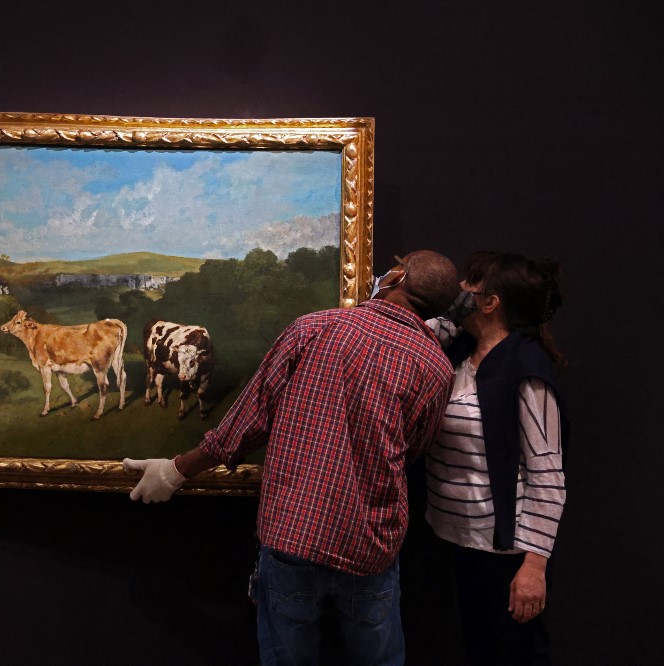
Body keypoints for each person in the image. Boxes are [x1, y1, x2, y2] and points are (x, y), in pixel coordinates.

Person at [124, 250, 461, 665]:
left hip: (294, 537)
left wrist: (176, 470)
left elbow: (247, 420)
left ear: (396, 277)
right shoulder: (437, 368)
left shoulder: (314, 328)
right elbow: (414, 448)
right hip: (370, 544)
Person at [424, 251, 568, 665]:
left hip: (503, 557)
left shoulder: (525, 370)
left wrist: (534, 569)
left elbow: (548, 476)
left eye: (470, 283)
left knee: (511, 654)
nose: (460, 290)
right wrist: (447, 317)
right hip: (453, 539)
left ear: (490, 303)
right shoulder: (460, 350)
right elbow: (417, 334)